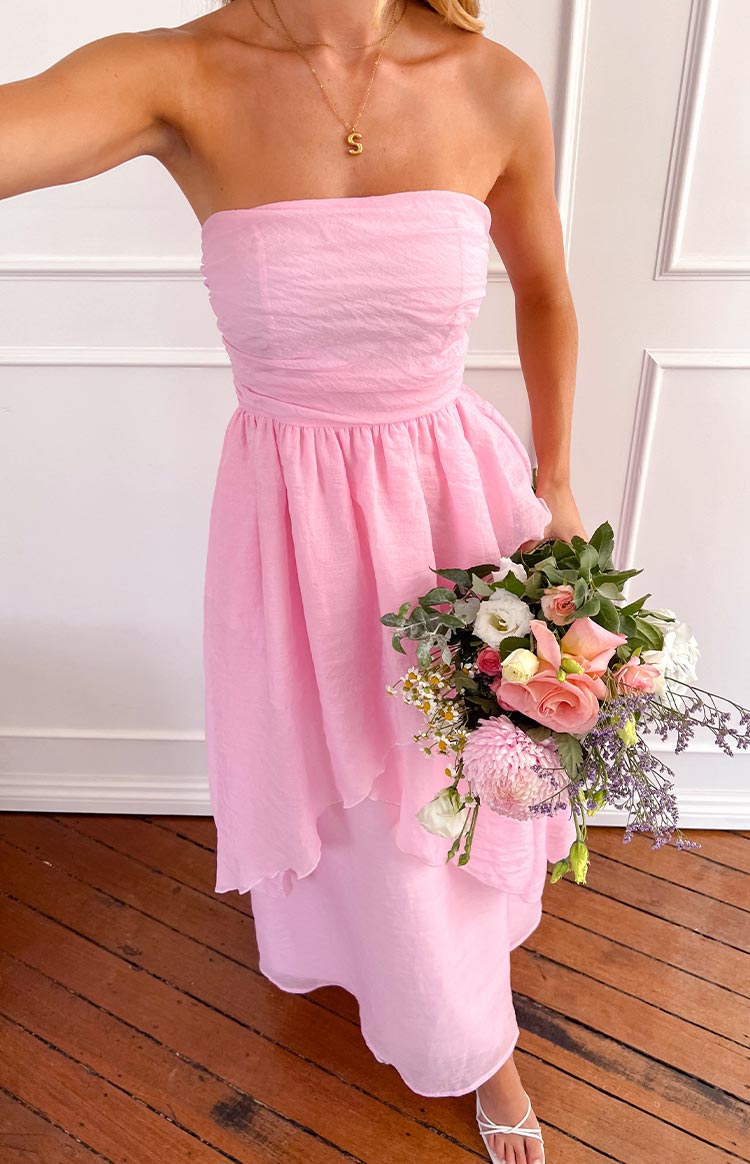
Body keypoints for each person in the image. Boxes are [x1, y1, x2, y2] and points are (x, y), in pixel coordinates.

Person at [1, 1, 587, 1159]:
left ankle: (476, 1043)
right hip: (292, 517)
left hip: (449, 498)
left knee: (450, 769)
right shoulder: (178, 73)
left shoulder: (494, 84)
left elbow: (546, 288)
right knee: (344, 776)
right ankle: (377, 964)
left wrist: (558, 478)